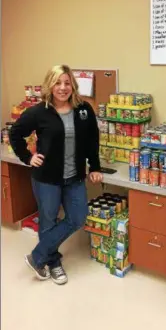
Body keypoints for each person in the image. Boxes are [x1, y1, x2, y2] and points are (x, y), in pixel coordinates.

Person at [9, 65, 103, 285]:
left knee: (78, 217)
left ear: (73, 85)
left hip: (75, 177)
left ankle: (37, 255)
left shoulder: (83, 110)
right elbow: (15, 133)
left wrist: (95, 167)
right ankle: (52, 262)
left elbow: (92, 140)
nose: (62, 88)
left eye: (67, 83)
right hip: (46, 178)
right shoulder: (38, 111)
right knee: (48, 221)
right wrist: (27, 157)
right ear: (49, 85)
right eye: (58, 82)